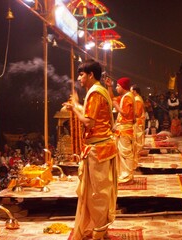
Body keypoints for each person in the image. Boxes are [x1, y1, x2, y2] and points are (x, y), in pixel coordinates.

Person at [63, 59, 117, 240]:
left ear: (91, 75)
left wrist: (74, 110)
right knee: (99, 190)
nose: (79, 78)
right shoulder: (100, 91)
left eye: (81, 74)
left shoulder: (94, 93)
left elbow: (88, 121)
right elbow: (92, 115)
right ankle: (100, 227)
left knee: (97, 193)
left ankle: (99, 230)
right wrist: (76, 105)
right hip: (103, 146)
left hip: (98, 150)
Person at [105, 76, 135, 183]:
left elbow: (125, 113)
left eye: (118, 86)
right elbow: (112, 99)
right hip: (122, 129)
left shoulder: (127, 97)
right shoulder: (124, 96)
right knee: (121, 153)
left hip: (125, 130)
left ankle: (128, 176)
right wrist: (109, 87)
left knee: (126, 153)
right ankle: (124, 175)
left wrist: (116, 106)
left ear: (123, 86)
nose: (116, 88)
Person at [131, 85, 146, 161]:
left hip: (138, 121)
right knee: (138, 138)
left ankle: (138, 156)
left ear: (134, 91)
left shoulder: (137, 99)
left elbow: (137, 113)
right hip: (139, 121)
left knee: (138, 138)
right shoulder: (138, 98)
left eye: (131, 91)